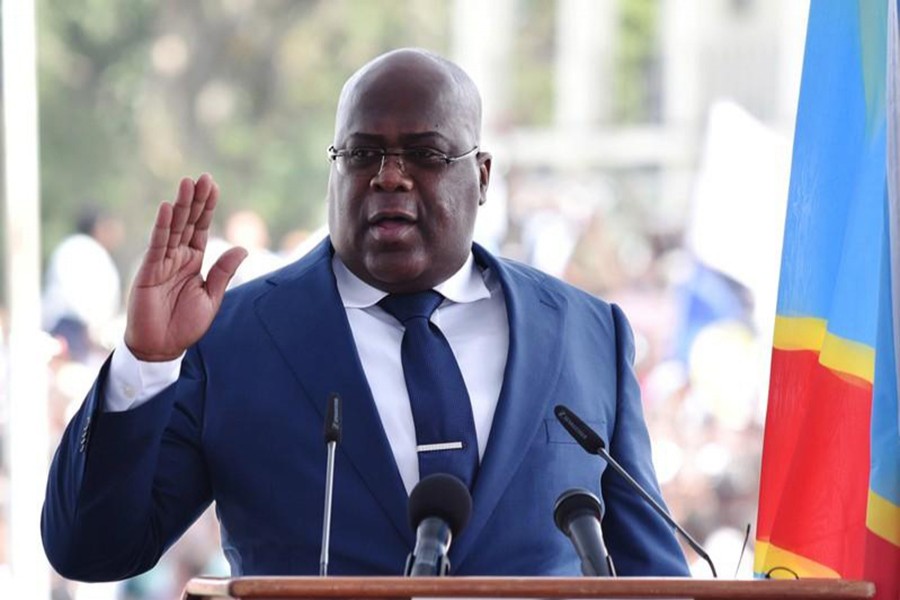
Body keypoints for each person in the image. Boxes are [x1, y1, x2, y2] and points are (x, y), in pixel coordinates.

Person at [42, 48, 689, 580]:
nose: (389, 177)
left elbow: (651, 573)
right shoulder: (233, 340)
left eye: (425, 153)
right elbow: (91, 551)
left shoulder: (584, 334)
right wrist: (144, 365)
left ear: (484, 176)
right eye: (361, 154)